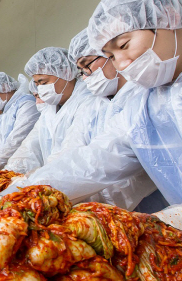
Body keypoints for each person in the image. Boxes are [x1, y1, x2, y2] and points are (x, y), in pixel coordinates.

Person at [11, 0, 182, 243]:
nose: (122, 63)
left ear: (170, 18)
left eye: (125, 44)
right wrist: (19, 195)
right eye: (110, 54)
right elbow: (96, 160)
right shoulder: (141, 100)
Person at [68, 28, 162, 212]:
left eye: (87, 64)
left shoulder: (143, 93)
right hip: (107, 210)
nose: (86, 75)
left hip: (154, 207)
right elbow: (72, 150)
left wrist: (93, 204)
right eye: (81, 70)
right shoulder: (93, 105)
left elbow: (133, 168)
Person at [4, 47, 109, 185]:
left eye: (44, 82)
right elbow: (29, 146)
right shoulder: (50, 109)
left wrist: (38, 177)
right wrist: (6, 174)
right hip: (56, 183)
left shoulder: (89, 101)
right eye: (37, 84)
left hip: (82, 186)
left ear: (65, 72)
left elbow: (70, 151)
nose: (41, 89)